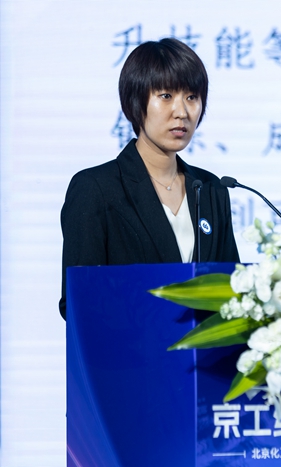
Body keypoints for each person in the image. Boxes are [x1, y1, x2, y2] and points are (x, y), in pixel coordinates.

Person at [59, 38, 239, 319]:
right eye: (166, 96)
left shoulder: (211, 188)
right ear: (135, 102)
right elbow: (78, 301)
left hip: (206, 348)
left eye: (191, 97)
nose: (182, 112)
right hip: (129, 346)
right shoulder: (96, 188)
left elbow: (233, 289)